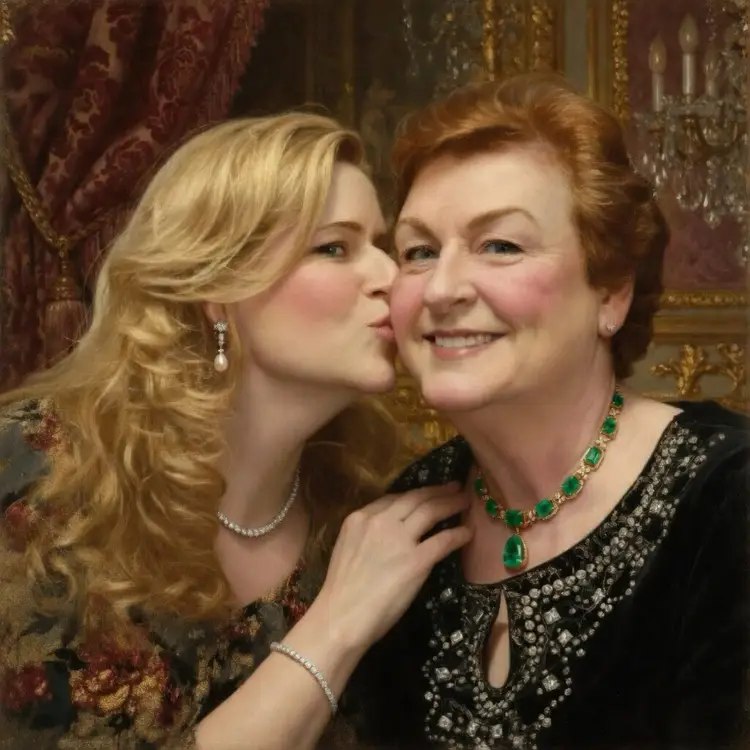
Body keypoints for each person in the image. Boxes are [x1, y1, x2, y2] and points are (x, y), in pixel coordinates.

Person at [0, 113, 472, 749]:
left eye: (384, 246)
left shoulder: (359, 514)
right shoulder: (35, 476)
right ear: (219, 289)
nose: (391, 277)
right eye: (334, 248)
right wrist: (339, 621)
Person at [346, 73, 749, 750]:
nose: (442, 289)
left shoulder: (728, 497)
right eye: (419, 252)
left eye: (500, 245)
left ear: (611, 292)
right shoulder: (403, 521)